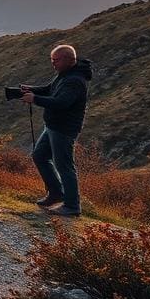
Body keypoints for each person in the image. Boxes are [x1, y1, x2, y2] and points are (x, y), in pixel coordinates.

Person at [21, 44, 92, 217]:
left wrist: (35, 99)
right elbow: (50, 89)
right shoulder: (65, 74)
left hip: (63, 128)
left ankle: (72, 206)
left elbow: (61, 102)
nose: (53, 64)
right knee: (39, 156)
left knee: (64, 166)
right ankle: (56, 193)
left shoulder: (74, 80)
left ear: (68, 60)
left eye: (56, 60)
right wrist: (30, 90)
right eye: (52, 60)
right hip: (53, 126)